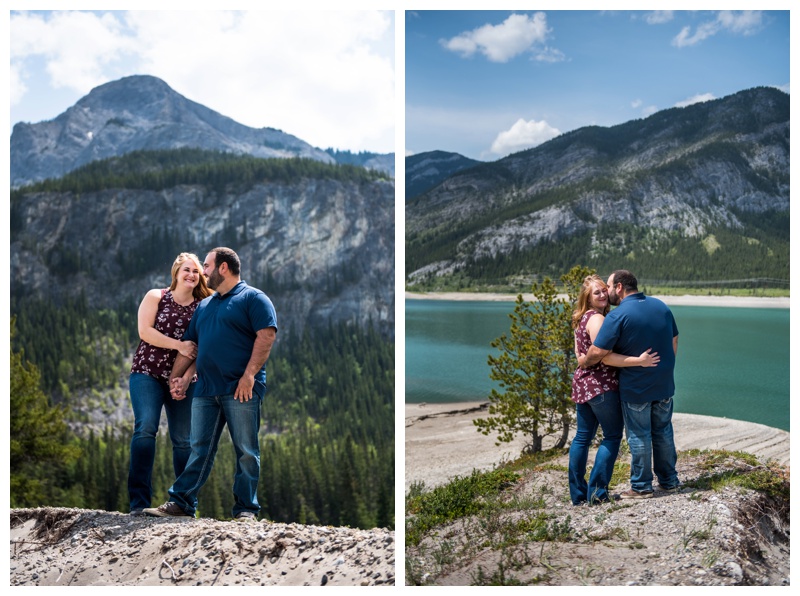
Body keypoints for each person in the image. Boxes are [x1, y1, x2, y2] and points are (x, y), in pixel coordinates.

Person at [144, 247, 278, 520]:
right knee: (200, 449)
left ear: (224, 268)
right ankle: (181, 502)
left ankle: (245, 510)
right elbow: (193, 347)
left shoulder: (254, 298)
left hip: (241, 389)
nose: (203, 272)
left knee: (246, 451)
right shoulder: (205, 305)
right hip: (205, 390)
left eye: (206, 266)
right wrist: (178, 377)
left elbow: (266, 336)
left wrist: (249, 375)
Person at [582, 270, 680, 499]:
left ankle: (641, 487)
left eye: (607, 286)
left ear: (619, 287)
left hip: (636, 388)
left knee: (639, 435)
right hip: (664, 383)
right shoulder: (661, 306)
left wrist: (585, 361)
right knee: (664, 432)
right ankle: (669, 481)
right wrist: (666, 366)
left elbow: (599, 351)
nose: (606, 291)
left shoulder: (618, 315)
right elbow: (674, 338)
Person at [127, 252, 213, 516]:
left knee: (184, 441)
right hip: (147, 373)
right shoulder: (156, 296)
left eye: (196, 272)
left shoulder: (204, 305)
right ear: (176, 272)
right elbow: (145, 332)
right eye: (187, 270)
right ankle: (139, 503)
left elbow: (206, 347)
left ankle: (185, 504)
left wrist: (186, 378)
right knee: (145, 429)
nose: (191, 275)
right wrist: (179, 345)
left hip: (186, 380)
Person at [570, 274, 660, 505]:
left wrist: (584, 361)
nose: (602, 295)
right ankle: (598, 494)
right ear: (587, 298)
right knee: (611, 436)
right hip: (601, 386)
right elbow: (605, 356)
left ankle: (578, 494)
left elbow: (581, 357)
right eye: (596, 292)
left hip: (583, 384)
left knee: (582, 437)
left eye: (603, 290)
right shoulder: (598, 320)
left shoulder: (580, 319)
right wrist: (638, 360)